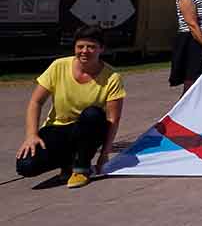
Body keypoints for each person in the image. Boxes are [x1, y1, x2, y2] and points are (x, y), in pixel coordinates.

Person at [15, 26, 125, 188]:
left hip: (90, 130)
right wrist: (31, 135)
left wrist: (104, 155)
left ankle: (81, 168)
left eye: (91, 47)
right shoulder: (58, 66)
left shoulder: (112, 77)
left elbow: (113, 119)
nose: (84, 51)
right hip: (58, 129)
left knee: (93, 114)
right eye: (80, 46)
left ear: (101, 49)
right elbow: (36, 102)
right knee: (26, 166)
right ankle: (68, 162)